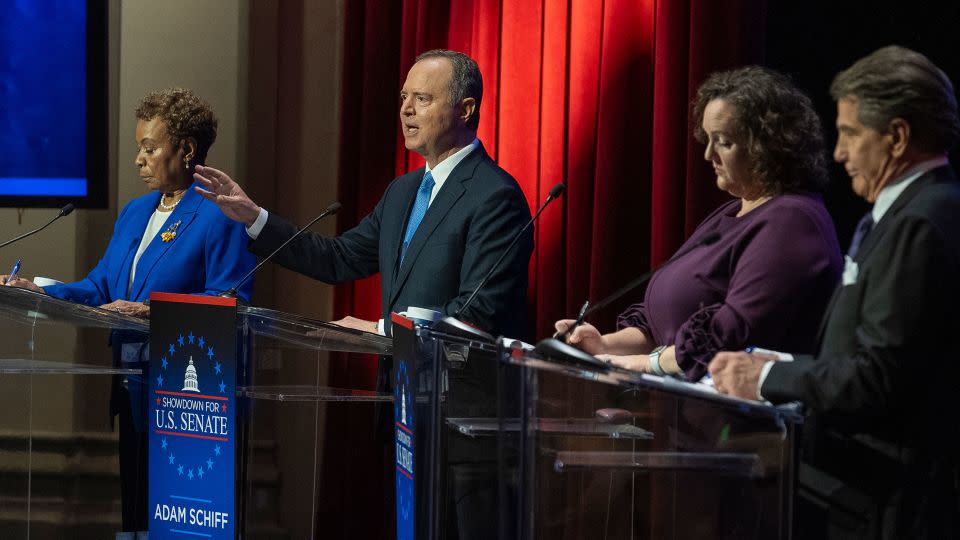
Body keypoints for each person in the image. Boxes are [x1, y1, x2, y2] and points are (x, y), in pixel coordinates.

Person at [710, 46, 960, 539]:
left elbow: (878, 379)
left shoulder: (921, 222)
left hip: (892, 500)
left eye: (848, 134)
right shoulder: (918, 209)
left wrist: (768, 378)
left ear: (897, 137)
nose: (840, 153)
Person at [2, 88, 256, 534]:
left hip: (186, 397)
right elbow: (100, 287)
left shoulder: (219, 214)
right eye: (138, 148)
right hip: (132, 385)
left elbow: (230, 301)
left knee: (179, 521)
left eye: (149, 148)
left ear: (187, 149)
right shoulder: (134, 213)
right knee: (137, 516)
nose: (138, 159)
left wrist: (153, 313)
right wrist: (37, 289)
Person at [192, 49, 533, 339]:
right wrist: (254, 216)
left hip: (459, 402)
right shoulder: (403, 191)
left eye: (423, 99)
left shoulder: (495, 198)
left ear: (465, 109)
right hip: (397, 395)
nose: (406, 109)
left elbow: (479, 312)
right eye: (404, 97)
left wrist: (380, 330)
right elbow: (338, 259)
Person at [555, 66, 842, 380]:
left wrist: (649, 364)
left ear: (768, 146)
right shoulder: (730, 212)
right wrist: (604, 345)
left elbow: (734, 334)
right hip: (685, 413)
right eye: (707, 139)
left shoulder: (790, 220)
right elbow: (663, 321)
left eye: (723, 142)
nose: (708, 154)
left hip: (748, 424)